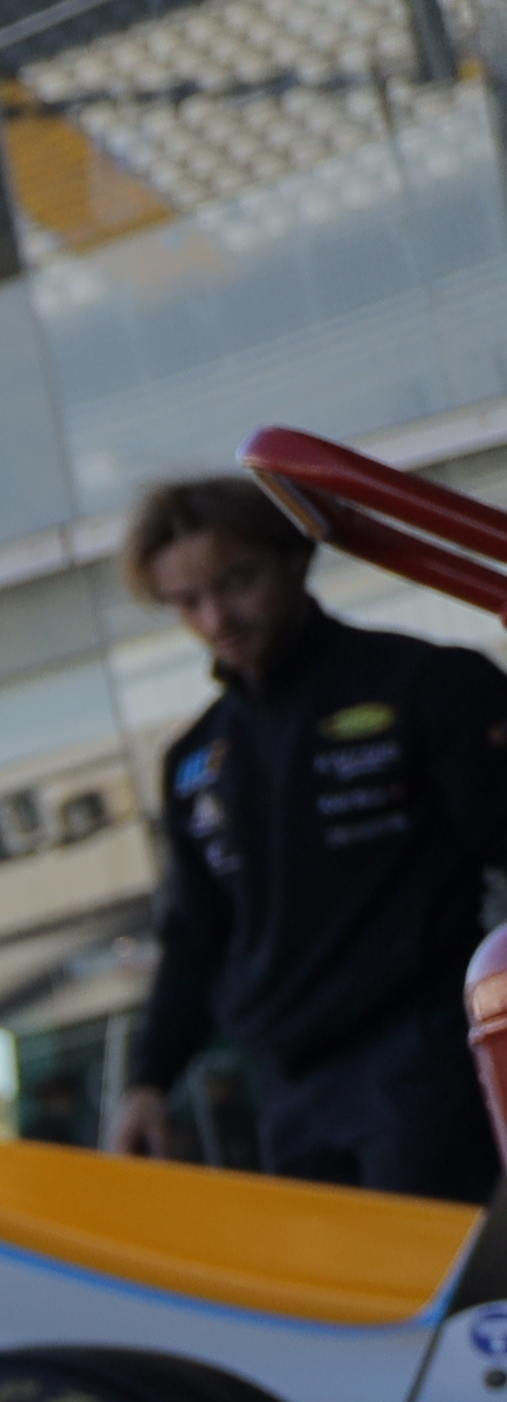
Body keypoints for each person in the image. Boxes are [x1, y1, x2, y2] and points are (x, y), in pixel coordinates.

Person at [115, 475, 507, 1200]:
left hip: (421, 1058)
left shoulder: (426, 683)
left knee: (443, 1273)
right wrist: (148, 1082)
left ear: (294, 557)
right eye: (188, 602)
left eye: (237, 582)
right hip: (289, 1093)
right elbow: (195, 939)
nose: (217, 617)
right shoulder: (195, 761)